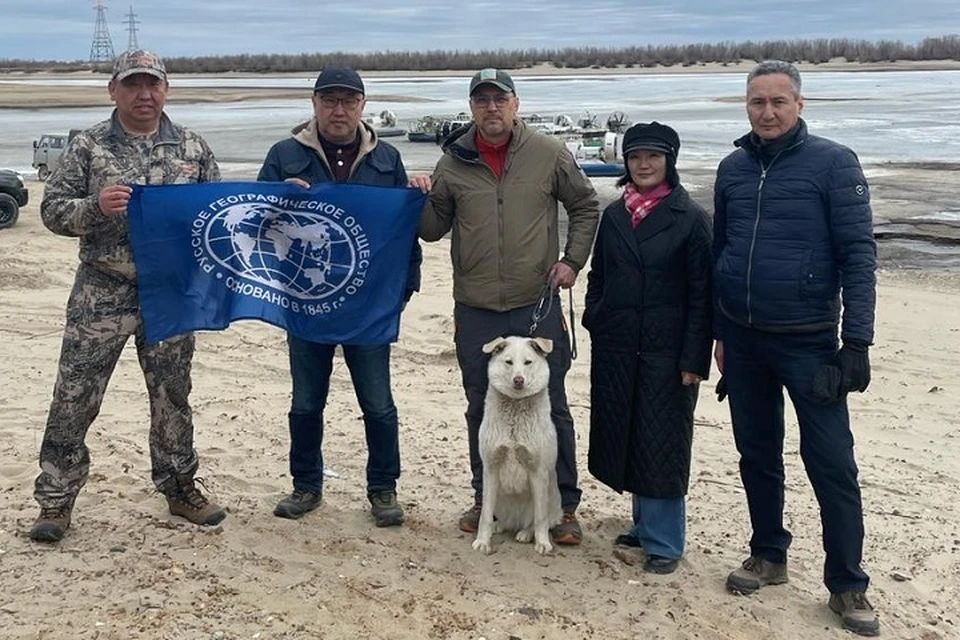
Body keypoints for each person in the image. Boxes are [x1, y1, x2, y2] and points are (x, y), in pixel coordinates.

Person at [30, 49, 225, 543]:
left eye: (153, 84)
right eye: (134, 85)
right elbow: (53, 211)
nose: (145, 94)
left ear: (166, 88)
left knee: (172, 397)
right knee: (74, 397)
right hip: (103, 291)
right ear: (113, 90)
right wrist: (95, 208)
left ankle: (181, 488)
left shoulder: (193, 148)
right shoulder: (88, 148)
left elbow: (219, 216)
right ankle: (55, 500)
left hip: (171, 296)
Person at [713, 60, 879, 636]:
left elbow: (860, 256)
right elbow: (722, 253)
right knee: (757, 454)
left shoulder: (834, 164)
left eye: (778, 101)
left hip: (810, 342)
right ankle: (769, 553)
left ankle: (849, 584)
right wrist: (719, 334)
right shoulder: (732, 169)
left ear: (800, 104)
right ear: (746, 106)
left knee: (831, 463)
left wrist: (856, 343)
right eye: (757, 102)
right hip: (744, 337)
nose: (767, 112)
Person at [412, 68, 600, 544]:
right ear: (472, 107)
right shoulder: (453, 163)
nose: (491, 108)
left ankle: (564, 505)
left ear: (516, 104)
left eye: (500, 99)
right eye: (482, 100)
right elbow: (432, 228)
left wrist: (572, 260)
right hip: (475, 307)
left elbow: (585, 205)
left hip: (535, 302)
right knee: (482, 402)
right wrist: (418, 195)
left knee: (551, 403)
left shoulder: (549, 153)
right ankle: (485, 497)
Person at [257, 64, 421, 528]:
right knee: (307, 402)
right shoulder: (284, 155)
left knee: (379, 403)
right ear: (314, 104)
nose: (339, 110)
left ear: (362, 106)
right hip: (306, 301)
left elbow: (403, 235)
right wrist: (277, 198)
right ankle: (306, 485)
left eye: (348, 101)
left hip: (369, 305)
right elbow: (256, 224)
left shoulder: (386, 159)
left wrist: (404, 288)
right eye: (329, 100)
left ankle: (383, 489)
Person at [583, 122, 712, 574]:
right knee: (631, 433)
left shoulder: (691, 218)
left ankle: (665, 542)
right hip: (619, 344)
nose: (643, 164)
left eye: (654, 156)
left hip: (667, 350)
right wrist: (594, 316)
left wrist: (695, 358)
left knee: (662, 441)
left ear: (669, 162)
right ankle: (643, 526)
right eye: (636, 156)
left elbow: (703, 295)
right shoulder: (616, 215)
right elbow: (599, 274)